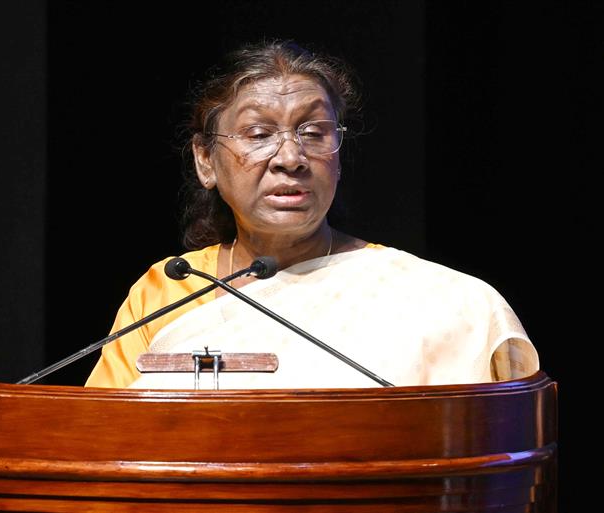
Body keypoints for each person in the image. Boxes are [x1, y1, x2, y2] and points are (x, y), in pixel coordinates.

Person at [85, 39, 539, 390]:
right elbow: (103, 441)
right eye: (259, 133)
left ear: (337, 156)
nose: (290, 157)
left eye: (314, 132)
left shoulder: (445, 304)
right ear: (206, 160)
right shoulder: (169, 290)